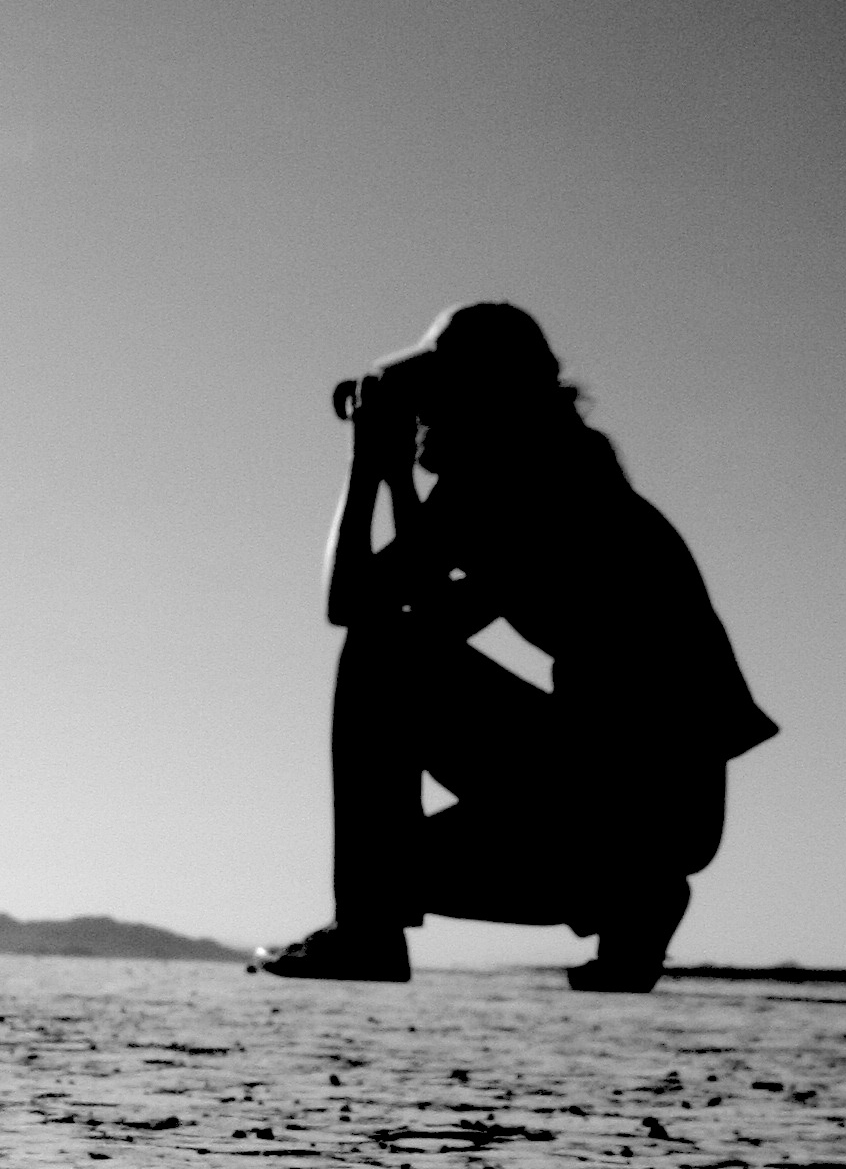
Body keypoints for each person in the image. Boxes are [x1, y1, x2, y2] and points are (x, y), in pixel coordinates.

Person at [255, 302, 773, 991]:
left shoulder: (503, 480)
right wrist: (400, 481)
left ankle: (368, 932)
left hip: (621, 793)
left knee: (376, 664)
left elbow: (355, 609)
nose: (421, 414)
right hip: (666, 814)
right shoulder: (566, 473)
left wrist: (364, 468)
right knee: (392, 858)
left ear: (477, 395)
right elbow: (435, 616)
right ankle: (631, 899)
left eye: (433, 395)